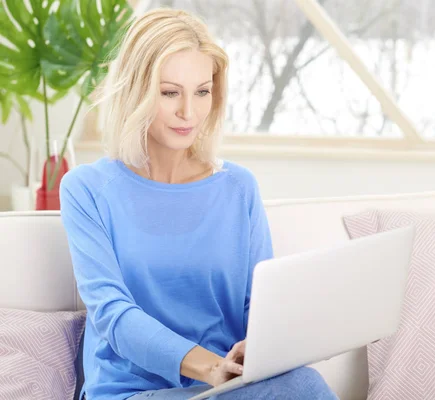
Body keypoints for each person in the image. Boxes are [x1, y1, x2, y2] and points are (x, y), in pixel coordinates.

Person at [59, 7, 338, 400]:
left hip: (228, 390)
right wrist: (211, 367)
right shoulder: (86, 189)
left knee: (301, 383)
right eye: (170, 92)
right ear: (136, 90)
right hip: (133, 393)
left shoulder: (238, 187)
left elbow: (258, 305)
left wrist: (258, 349)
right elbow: (113, 316)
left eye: (202, 91)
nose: (188, 112)